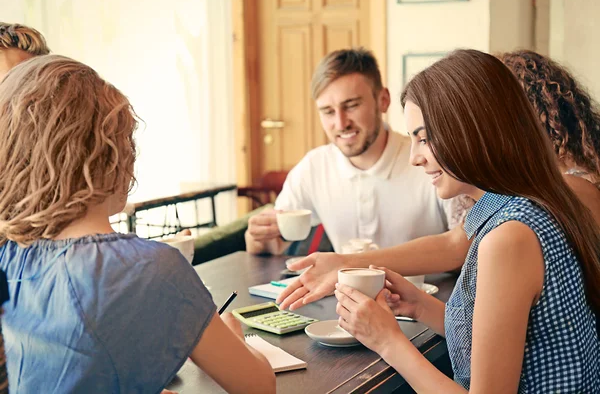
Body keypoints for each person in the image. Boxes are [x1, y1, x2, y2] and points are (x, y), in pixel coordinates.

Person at [0, 55, 275, 393]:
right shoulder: (151, 266)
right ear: (113, 155)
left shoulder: (10, 255)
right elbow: (258, 386)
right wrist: (238, 340)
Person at [336, 49, 600, 392]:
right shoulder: (529, 207)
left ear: (472, 130)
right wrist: (417, 305)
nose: (415, 157)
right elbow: (514, 340)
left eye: (424, 138)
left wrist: (388, 341)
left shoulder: (509, 237)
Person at [277, 49, 600, 311]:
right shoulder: (512, 200)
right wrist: (352, 266)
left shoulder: (555, 197)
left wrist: (387, 338)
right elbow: (456, 243)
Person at [245, 48, 452, 256]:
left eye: (351, 105)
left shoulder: (429, 159)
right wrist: (257, 237)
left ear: (383, 100)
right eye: (328, 112)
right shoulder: (314, 167)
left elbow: (467, 246)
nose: (340, 123)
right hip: (346, 289)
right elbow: (273, 246)